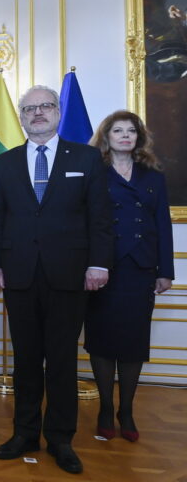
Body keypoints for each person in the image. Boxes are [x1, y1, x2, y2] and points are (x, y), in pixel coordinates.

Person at [0, 85, 114, 474]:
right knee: (25, 359)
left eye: (45, 106)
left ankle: (60, 439)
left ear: (58, 112)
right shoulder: (3, 163)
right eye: (29, 108)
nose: (37, 113)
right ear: (21, 117)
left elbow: (100, 217)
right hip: (19, 272)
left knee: (61, 359)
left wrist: (99, 265)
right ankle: (25, 433)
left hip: (70, 273)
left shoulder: (87, 158)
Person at [85, 110, 174, 442]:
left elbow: (162, 224)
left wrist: (165, 271)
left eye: (131, 131)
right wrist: (87, 264)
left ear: (139, 137)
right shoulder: (94, 172)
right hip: (103, 268)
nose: (125, 135)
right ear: (106, 137)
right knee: (102, 340)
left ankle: (127, 410)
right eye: (118, 130)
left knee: (134, 343)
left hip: (140, 269)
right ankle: (106, 408)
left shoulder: (153, 176)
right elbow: (85, 221)